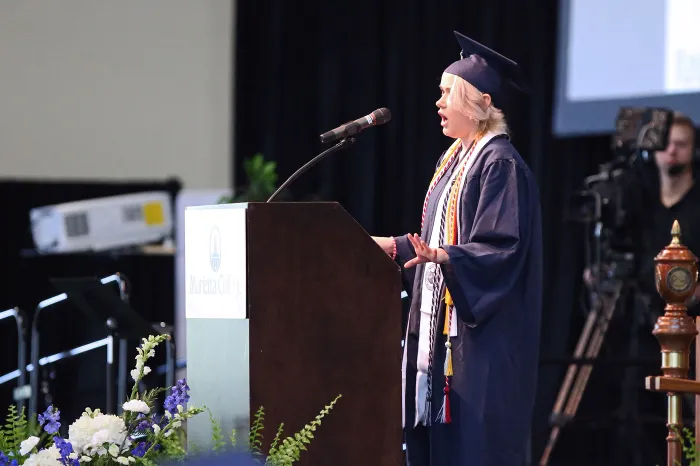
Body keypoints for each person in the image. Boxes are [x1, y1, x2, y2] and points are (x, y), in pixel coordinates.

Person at [373, 31, 543, 466]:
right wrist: (394, 247)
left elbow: (502, 248)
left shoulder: (499, 163)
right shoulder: (452, 162)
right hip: (440, 344)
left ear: (480, 102)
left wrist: (446, 257)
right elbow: (433, 244)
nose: (439, 102)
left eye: (449, 93)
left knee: (473, 451)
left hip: (479, 348)